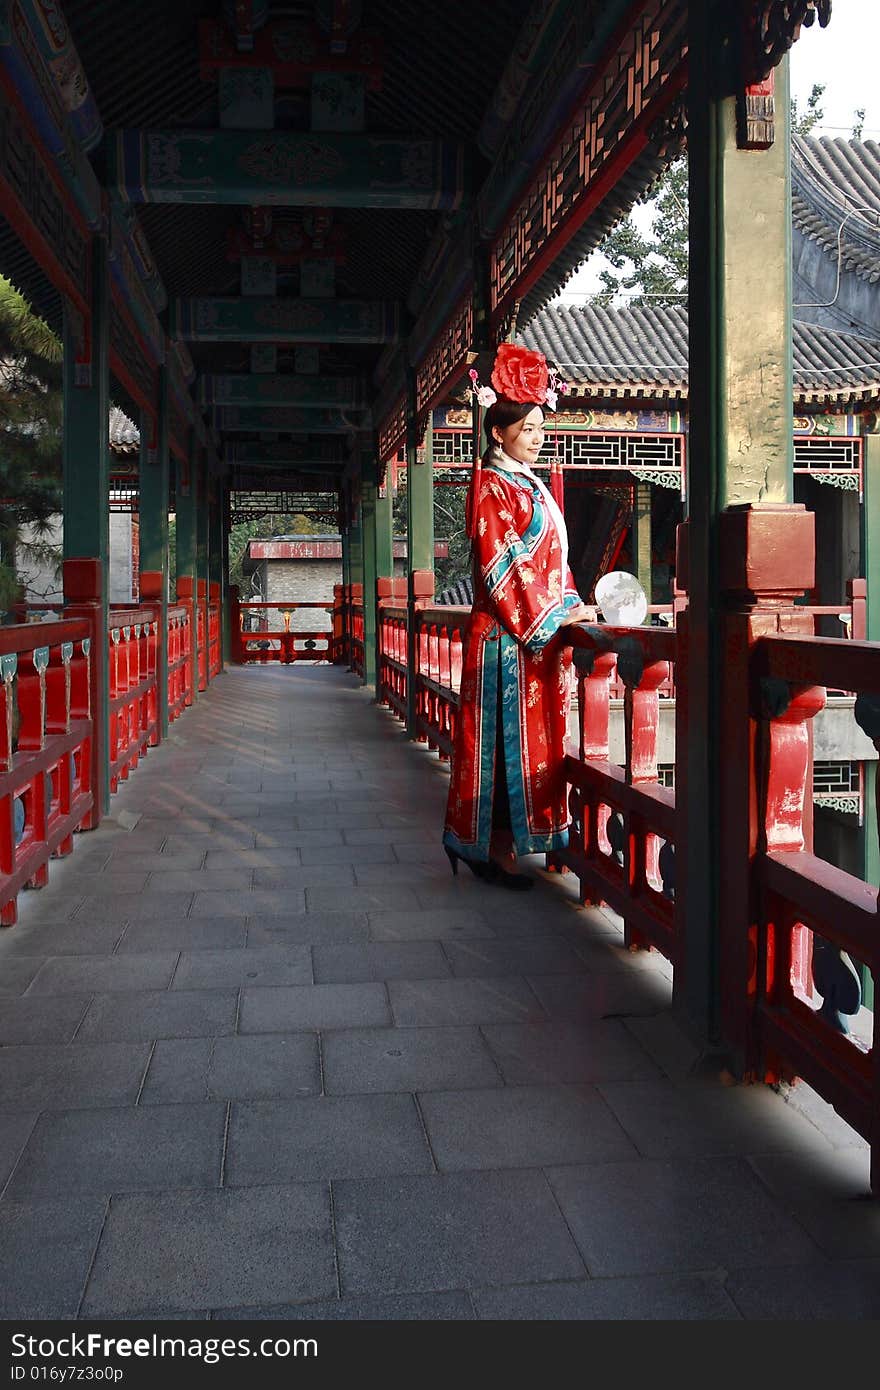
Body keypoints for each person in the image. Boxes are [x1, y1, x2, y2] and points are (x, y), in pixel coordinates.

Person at [442, 344, 593, 890]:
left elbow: (554, 565)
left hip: (535, 638)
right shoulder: (490, 486)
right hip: (509, 640)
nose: (537, 437)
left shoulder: (530, 485)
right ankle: (491, 847)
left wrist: (573, 603)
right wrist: (550, 619)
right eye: (527, 428)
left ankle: (513, 841)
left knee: (534, 741)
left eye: (539, 428)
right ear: (498, 433)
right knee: (503, 745)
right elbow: (502, 565)